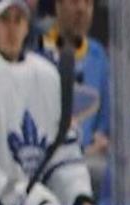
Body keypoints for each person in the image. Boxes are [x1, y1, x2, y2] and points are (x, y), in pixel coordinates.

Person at [0, 0, 93, 205]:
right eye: (5, 20)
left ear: (27, 25)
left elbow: (64, 158)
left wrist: (80, 198)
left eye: (19, 20)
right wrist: (27, 200)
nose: (12, 29)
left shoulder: (48, 76)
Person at [41, 0, 110, 157]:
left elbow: (106, 121)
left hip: (91, 164)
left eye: (88, 3)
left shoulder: (99, 56)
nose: (81, 9)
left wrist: (99, 140)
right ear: (58, 5)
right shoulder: (39, 55)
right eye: (74, 2)